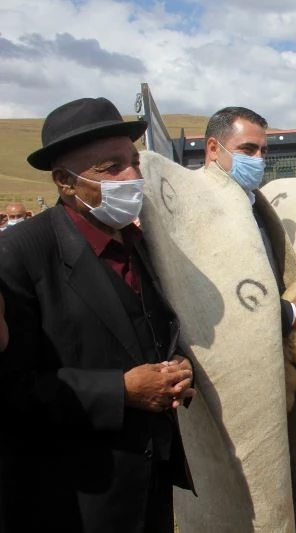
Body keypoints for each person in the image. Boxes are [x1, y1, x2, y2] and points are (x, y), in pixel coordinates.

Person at [0, 97, 195, 533]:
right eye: (111, 169)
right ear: (65, 182)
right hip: (70, 497)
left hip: (150, 485)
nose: (132, 178)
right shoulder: (20, 255)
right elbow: (10, 388)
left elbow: (150, 326)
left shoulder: (142, 243)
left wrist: (179, 367)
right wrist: (120, 391)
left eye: (134, 164)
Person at [201, 106, 296, 335]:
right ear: (213, 148)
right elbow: (215, 296)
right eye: (248, 150)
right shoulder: (199, 207)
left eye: (263, 151)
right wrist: (290, 313)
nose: (258, 159)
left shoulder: (254, 202)